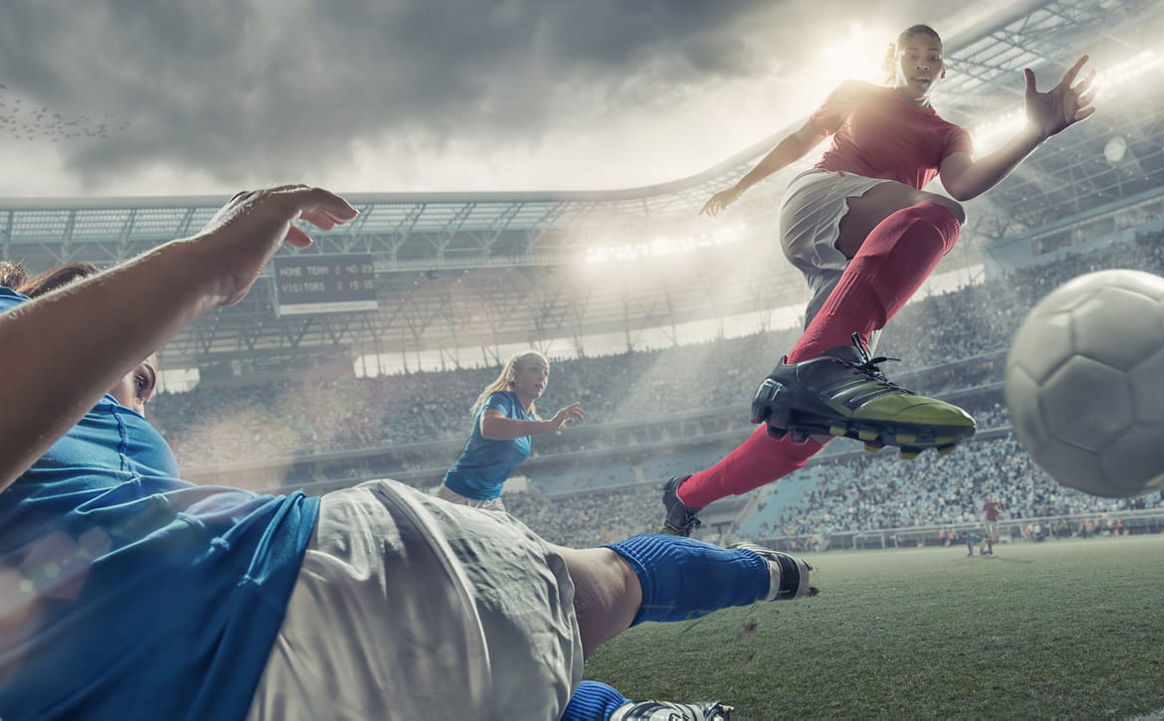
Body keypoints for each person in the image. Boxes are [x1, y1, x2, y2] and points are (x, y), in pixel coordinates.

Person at [0, 186, 817, 721]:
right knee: (606, 583)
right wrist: (213, 264)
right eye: (136, 380)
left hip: (324, 628)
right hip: (345, 590)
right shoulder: (42, 364)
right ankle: (770, 579)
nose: (144, 391)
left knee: (531, 645)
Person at [663, 24, 1096, 535]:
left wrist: (1034, 132)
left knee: (809, 424)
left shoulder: (949, 133)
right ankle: (823, 369)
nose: (920, 62)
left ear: (942, 67)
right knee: (938, 213)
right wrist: (739, 188)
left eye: (931, 55)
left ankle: (688, 494)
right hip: (821, 200)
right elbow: (800, 141)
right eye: (911, 53)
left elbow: (966, 181)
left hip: (860, 257)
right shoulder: (857, 93)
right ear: (894, 59)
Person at [436, 350, 584, 511]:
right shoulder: (500, 399)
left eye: (546, 373)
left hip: (489, 499)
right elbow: (490, 427)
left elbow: (528, 425)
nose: (542, 376)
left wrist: (554, 425)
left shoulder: (528, 417)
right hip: (459, 495)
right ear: (515, 375)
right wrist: (548, 425)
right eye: (535, 369)